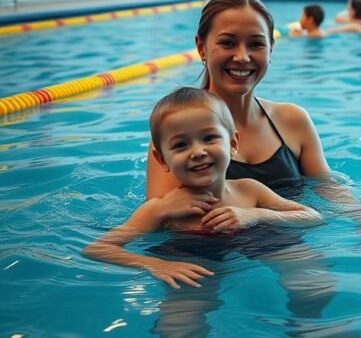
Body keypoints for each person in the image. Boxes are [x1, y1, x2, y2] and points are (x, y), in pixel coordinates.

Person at [145, 0, 361, 248]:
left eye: (256, 44)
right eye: (227, 43)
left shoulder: (292, 120)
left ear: (271, 48)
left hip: (281, 236)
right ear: (202, 47)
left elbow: (328, 187)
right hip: (205, 251)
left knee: (317, 288)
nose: (242, 57)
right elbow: (160, 223)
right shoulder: (177, 136)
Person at [85, 88, 323, 288]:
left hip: (257, 239)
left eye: (209, 138)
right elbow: (99, 248)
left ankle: (312, 326)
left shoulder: (249, 191)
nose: (198, 152)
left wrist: (256, 215)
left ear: (233, 143)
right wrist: (156, 264)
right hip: (190, 255)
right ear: (162, 160)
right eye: (180, 145)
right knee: (180, 325)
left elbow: (311, 216)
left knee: (314, 282)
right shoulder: (160, 210)